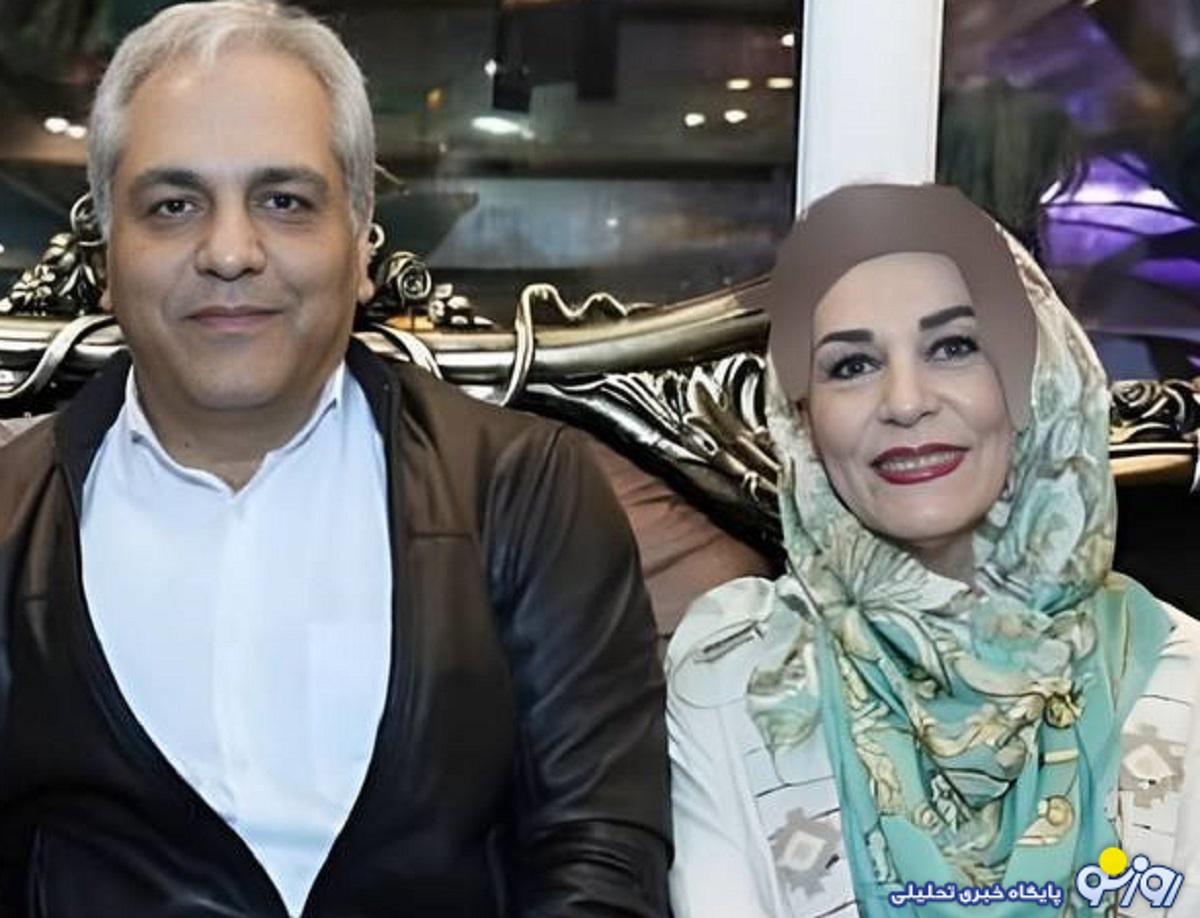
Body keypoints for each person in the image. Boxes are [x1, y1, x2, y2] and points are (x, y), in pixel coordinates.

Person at [0, 2, 670, 915]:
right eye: (173, 205)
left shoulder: (523, 491)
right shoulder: (12, 522)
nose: (229, 252)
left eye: (284, 201)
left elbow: (599, 862)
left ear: (359, 242)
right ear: (108, 252)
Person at [665, 183, 1200, 917]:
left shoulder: (1183, 681)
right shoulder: (739, 677)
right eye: (851, 365)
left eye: (954, 348)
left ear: (1034, 380)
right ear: (803, 420)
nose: (906, 401)